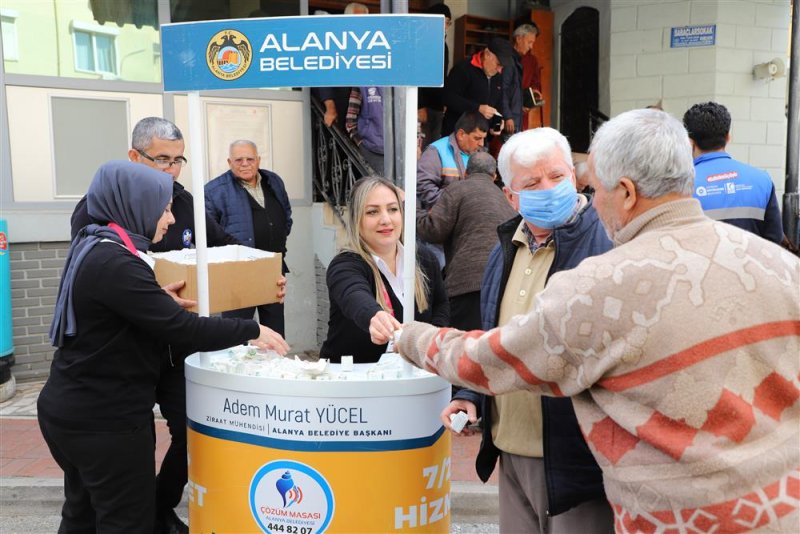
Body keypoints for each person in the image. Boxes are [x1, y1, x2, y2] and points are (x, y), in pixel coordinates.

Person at [388, 109, 800, 532]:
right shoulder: (780, 265)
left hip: (676, 516)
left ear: (624, 192)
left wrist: (409, 336)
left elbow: (493, 359)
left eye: (592, 186)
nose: (587, 198)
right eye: (532, 183)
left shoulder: (602, 282)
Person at [40, 161, 289, 534]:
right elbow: (180, 328)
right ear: (135, 206)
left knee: (83, 516)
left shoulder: (98, 246)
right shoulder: (116, 262)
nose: (171, 220)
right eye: (164, 208)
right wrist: (250, 329)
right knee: (127, 522)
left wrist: (156, 300)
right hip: (105, 422)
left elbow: (125, 311)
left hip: (74, 411)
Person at [69, 116, 249, 534]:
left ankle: (157, 506)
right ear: (135, 157)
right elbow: (110, 279)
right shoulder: (100, 208)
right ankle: (137, 510)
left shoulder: (186, 202)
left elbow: (226, 251)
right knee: (123, 460)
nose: (171, 169)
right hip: (127, 354)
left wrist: (258, 276)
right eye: (161, 159)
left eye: (178, 160)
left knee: (190, 432)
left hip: (175, 350)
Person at [447, 128, 614, 533]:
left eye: (557, 176)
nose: (549, 188)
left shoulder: (606, 244)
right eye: (533, 183)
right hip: (510, 448)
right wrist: (470, 394)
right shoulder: (505, 249)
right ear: (511, 196)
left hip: (576, 461)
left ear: (575, 178)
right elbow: (490, 333)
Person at [320, 176, 449, 363]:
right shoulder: (345, 264)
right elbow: (353, 294)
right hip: (353, 381)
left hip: (415, 376)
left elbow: (441, 305)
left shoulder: (424, 258)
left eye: (393, 209)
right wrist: (375, 316)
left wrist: (429, 344)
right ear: (357, 220)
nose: (386, 219)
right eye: (372, 212)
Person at [416, 151, 516, 330]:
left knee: (464, 349)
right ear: (494, 176)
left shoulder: (457, 189)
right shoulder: (506, 198)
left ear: (465, 173)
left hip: (466, 286)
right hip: (503, 286)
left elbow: (432, 230)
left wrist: (412, 209)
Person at [205, 140, 293, 336]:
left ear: (258, 160)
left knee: (274, 331)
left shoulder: (274, 181)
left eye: (250, 159)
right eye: (238, 159)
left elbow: (286, 216)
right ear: (229, 162)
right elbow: (209, 235)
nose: (245, 163)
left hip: (272, 270)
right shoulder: (214, 190)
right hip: (237, 272)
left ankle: (275, 365)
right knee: (237, 333)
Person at [683, 101, 783, 243]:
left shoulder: (680, 186)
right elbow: (774, 238)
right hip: (750, 264)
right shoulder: (762, 180)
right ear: (728, 137)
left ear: (689, 142)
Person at [311, 2, 369, 128]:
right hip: (340, 108)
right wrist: (330, 107)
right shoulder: (334, 41)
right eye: (358, 21)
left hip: (361, 115)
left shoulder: (369, 44)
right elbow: (322, 75)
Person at [441, 37, 512, 138]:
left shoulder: (498, 75)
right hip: (457, 135)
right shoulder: (463, 68)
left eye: (502, 67)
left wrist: (497, 122)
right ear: (487, 54)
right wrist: (477, 108)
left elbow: (498, 103)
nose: (500, 70)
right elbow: (448, 97)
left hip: (481, 137)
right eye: (498, 64)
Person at [417, 111, 489, 210]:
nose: (481, 143)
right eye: (477, 138)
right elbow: (423, 187)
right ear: (461, 134)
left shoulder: (481, 155)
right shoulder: (436, 151)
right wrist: (455, 205)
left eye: (483, 139)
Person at [418, 2, 451, 150]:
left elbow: (442, 76)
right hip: (424, 106)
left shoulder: (443, 45)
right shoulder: (421, 42)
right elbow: (415, 76)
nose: (446, 26)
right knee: (420, 146)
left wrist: (445, 101)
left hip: (438, 106)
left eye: (448, 22)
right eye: (443, 21)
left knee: (434, 148)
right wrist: (419, 105)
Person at [501, 24, 538, 138]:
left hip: (515, 115)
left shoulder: (516, 59)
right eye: (529, 42)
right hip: (509, 119)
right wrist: (507, 116)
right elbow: (503, 89)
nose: (531, 47)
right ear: (518, 39)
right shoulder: (509, 60)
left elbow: (514, 90)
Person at [345, 86, 386, 175]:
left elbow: (414, 114)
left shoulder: (401, 79)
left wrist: (416, 143)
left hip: (401, 150)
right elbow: (350, 121)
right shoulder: (362, 83)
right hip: (372, 150)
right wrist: (360, 143)